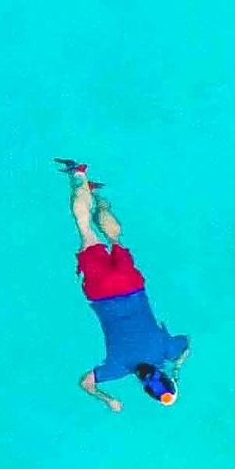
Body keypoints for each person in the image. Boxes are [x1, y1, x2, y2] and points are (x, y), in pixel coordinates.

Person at [63, 162, 189, 410]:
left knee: (115, 238)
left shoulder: (166, 350)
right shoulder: (117, 366)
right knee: (85, 230)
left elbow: (187, 343)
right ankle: (78, 176)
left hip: (131, 286)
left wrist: (177, 368)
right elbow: (85, 384)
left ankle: (98, 198)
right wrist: (107, 399)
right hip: (101, 293)